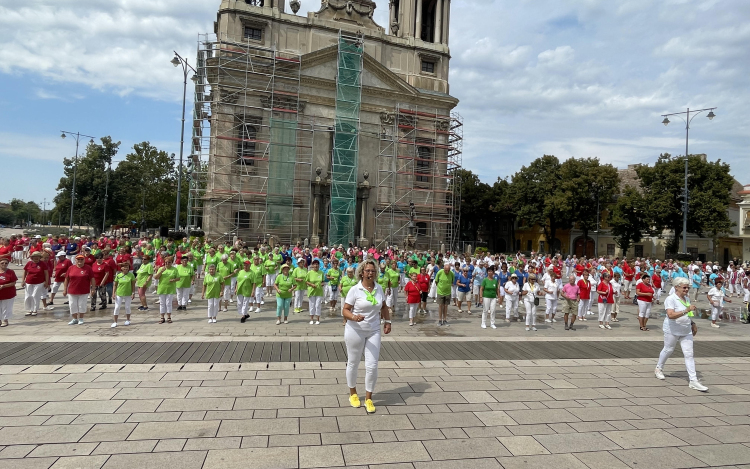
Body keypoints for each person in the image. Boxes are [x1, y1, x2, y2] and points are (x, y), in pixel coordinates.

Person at [342, 259, 391, 414]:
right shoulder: (355, 290)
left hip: (373, 330)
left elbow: (383, 306)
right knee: (353, 362)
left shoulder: (379, 288)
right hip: (355, 330)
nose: (370, 273)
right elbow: (345, 310)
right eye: (368, 271)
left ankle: (369, 398)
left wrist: (387, 321)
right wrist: (353, 317)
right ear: (361, 272)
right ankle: (353, 394)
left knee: (372, 365)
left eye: (373, 271)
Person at [655, 277, 707, 391]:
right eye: (684, 287)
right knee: (668, 349)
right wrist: (686, 310)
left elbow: (689, 314)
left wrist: (693, 323)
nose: (686, 289)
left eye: (688, 287)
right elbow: (671, 315)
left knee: (689, 354)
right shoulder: (671, 299)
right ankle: (659, 368)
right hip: (672, 329)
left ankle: (693, 380)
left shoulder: (686, 298)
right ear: (676, 287)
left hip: (686, 330)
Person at [64, 254, 95, 325]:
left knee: (82, 305)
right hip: (72, 290)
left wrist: (93, 288)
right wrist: (65, 289)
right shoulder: (71, 268)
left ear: (84, 260)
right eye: (78, 259)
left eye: (81, 259)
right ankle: (74, 319)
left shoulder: (88, 268)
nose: (80, 261)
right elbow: (66, 279)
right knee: (72, 305)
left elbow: (92, 278)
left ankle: (81, 318)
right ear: (76, 260)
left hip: (83, 290)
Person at [22, 251, 49, 317]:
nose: (36, 258)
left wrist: (47, 282)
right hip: (29, 282)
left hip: (39, 282)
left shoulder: (42, 264)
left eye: (37, 257)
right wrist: (23, 280)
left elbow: (46, 273)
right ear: (32, 258)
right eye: (34, 257)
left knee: (35, 295)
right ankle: (29, 309)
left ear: (39, 257)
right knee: (28, 296)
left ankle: (35, 309)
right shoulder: (29, 263)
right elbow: (25, 272)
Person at [154, 256, 179, 323]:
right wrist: (161, 271)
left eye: (169, 262)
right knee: (162, 303)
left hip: (170, 288)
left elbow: (178, 278)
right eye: (166, 262)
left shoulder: (174, 269)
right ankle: (162, 317)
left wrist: (174, 279)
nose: (167, 264)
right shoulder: (161, 269)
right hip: (162, 288)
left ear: (171, 263)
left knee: (168, 303)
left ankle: (169, 317)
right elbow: (156, 277)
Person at [112, 263, 136, 328]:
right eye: (124, 267)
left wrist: (133, 293)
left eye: (127, 267)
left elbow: (133, 285)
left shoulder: (131, 275)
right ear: (121, 268)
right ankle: (115, 322)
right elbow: (115, 285)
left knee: (127, 307)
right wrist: (113, 293)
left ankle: (128, 320)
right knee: (117, 307)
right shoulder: (118, 275)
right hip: (119, 293)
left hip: (128, 294)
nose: (126, 268)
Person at [0, 258, 18, 327]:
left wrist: (4, 286)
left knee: (6, 307)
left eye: (6, 263)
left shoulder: (11, 272)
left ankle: (5, 320)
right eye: (2, 263)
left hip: (8, 292)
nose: (4, 264)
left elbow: (13, 282)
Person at [306, 259, 324, 325]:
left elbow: (322, 281)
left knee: (318, 305)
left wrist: (322, 284)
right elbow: (306, 281)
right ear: (312, 265)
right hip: (311, 291)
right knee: (312, 305)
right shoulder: (309, 273)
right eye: (315, 264)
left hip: (319, 291)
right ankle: (311, 319)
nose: (316, 265)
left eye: (317, 264)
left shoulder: (321, 272)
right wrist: (311, 284)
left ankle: (318, 319)